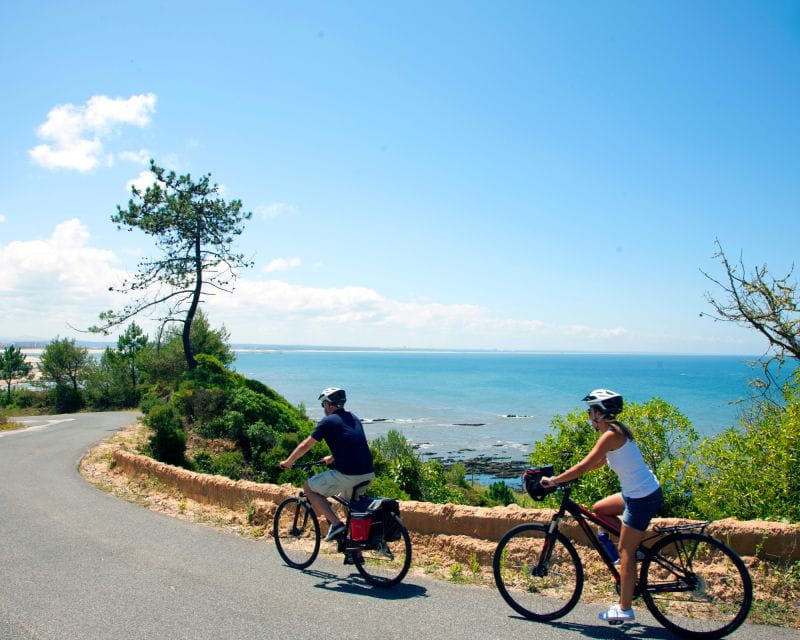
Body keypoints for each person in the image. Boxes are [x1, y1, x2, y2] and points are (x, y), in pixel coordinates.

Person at [540, 389, 663, 625]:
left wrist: (555, 480)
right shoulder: (615, 430)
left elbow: (585, 464)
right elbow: (598, 462)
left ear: (600, 413)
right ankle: (631, 549)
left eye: (590, 411)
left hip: (641, 498)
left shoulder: (609, 435)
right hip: (638, 492)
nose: (588, 416)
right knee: (600, 509)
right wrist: (573, 475)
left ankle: (625, 608)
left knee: (625, 553)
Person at [279, 387, 375, 542]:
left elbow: (306, 445)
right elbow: (353, 443)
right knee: (349, 506)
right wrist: (333, 457)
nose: (323, 407)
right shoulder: (353, 417)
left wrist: (289, 461)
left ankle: (336, 525)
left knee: (309, 488)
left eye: (323, 404)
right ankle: (355, 549)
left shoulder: (328, 421)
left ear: (330, 405)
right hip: (368, 472)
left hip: (348, 474)